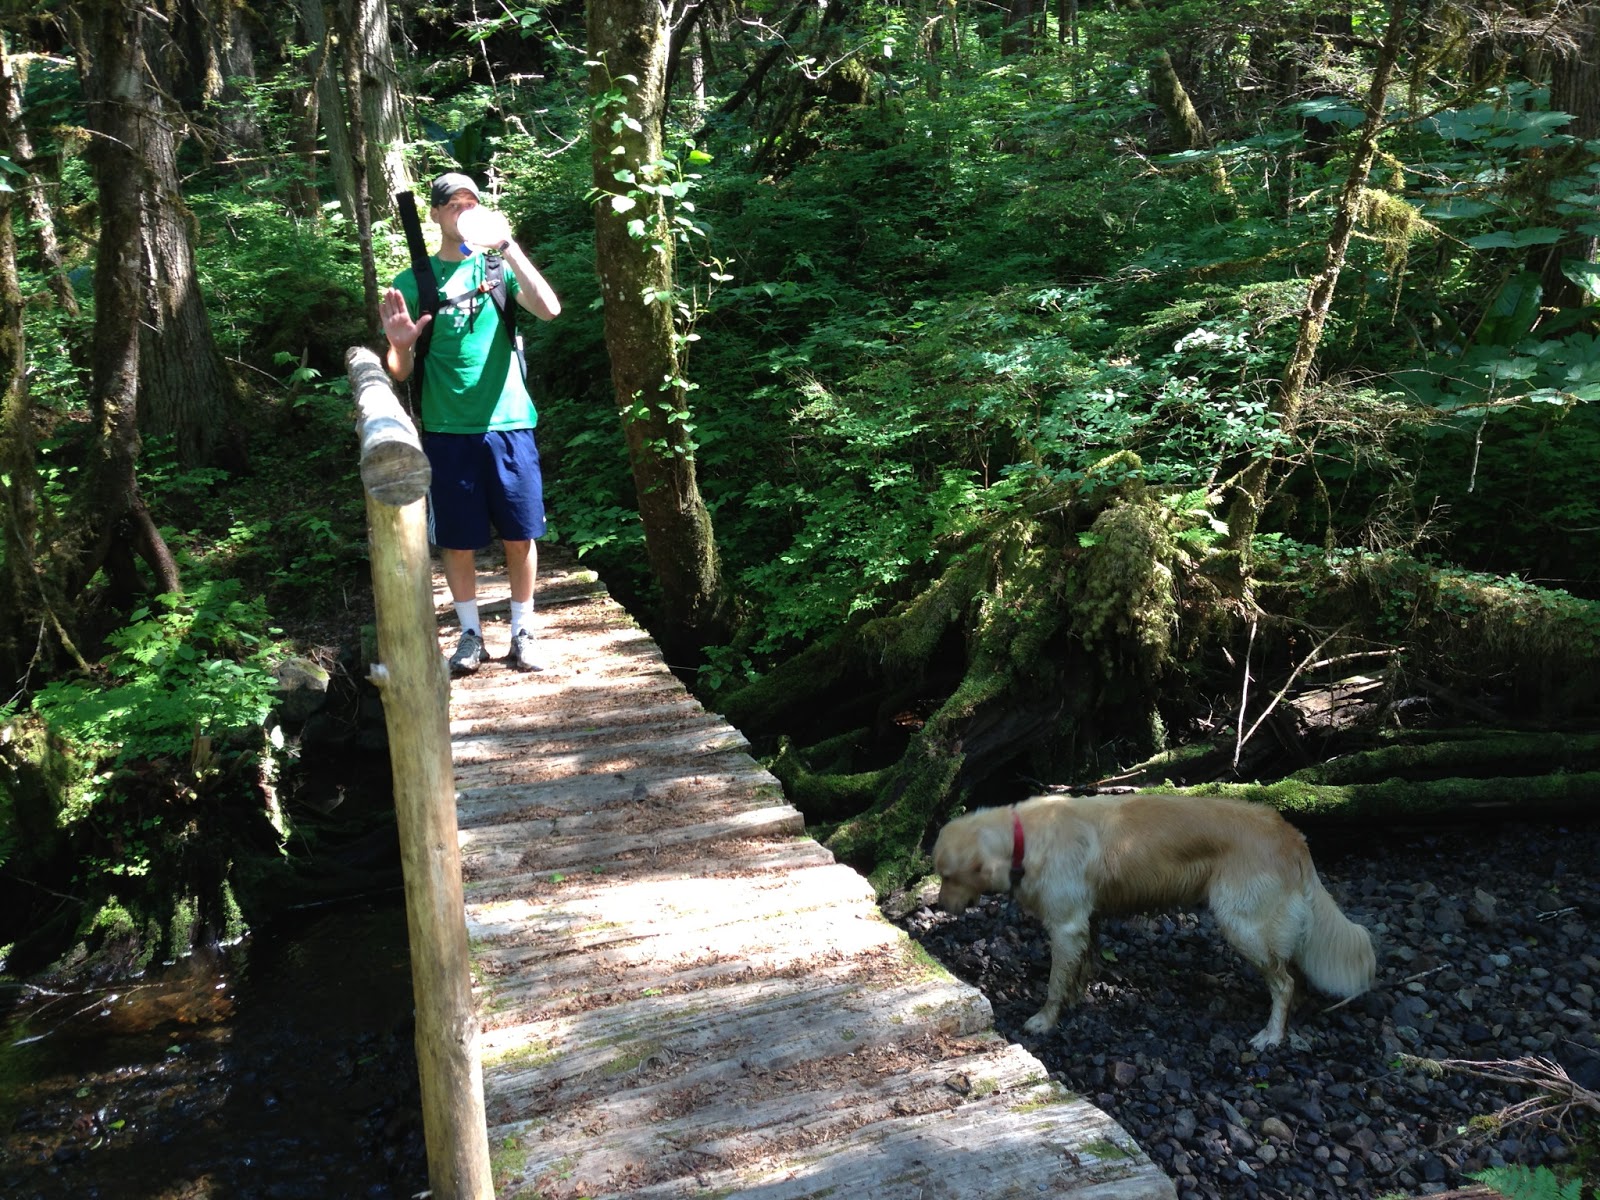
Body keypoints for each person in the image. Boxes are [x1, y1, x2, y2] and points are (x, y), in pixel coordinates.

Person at [380, 172, 561, 674]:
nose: (462, 212)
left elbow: (549, 309)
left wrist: (509, 246)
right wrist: (398, 346)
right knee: (457, 540)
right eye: (452, 205)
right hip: (446, 429)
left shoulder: (500, 269)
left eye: (470, 203)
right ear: (435, 214)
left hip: (510, 422)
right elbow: (401, 372)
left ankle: (524, 631)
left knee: (520, 534)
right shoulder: (413, 282)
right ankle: (469, 635)